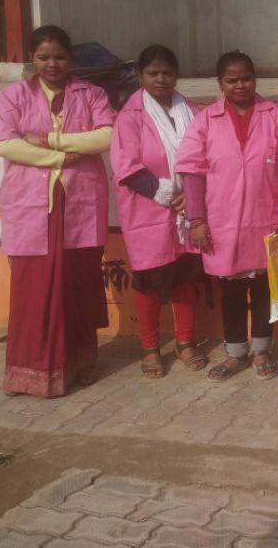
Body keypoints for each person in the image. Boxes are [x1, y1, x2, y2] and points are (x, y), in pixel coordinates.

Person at [0, 25, 114, 397]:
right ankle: (32, 370)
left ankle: (82, 360)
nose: (52, 64)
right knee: (34, 289)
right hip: (32, 206)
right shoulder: (13, 96)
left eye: (59, 56)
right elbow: (3, 144)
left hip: (80, 203)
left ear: (70, 58)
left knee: (79, 283)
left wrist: (50, 139)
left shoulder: (91, 94)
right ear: (32, 58)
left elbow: (107, 135)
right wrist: (59, 157)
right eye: (43, 57)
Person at [175, 51, 278, 382]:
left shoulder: (275, 115)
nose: (240, 85)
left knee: (263, 288)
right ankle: (235, 353)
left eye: (246, 78)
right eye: (232, 80)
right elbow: (192, 172)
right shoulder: (205, 120)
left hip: (266, 218)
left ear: (255, 79)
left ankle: (262, 350)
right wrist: (197, 220)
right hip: (222, 222)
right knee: (231, 291)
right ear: (220, 83)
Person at [110, 45, 207, 378]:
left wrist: (191, 197)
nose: (161, 79)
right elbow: (127, 167)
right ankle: (150, 348)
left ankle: (185, 342)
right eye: (153, 73)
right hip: (148, 211)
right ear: (140, 76)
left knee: (185, 279)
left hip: (188, 210)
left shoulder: (193, 112)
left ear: (176, 75)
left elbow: (206, 157)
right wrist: (170, 194)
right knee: (150, 282)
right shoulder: (129, 117)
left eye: (167, 73)